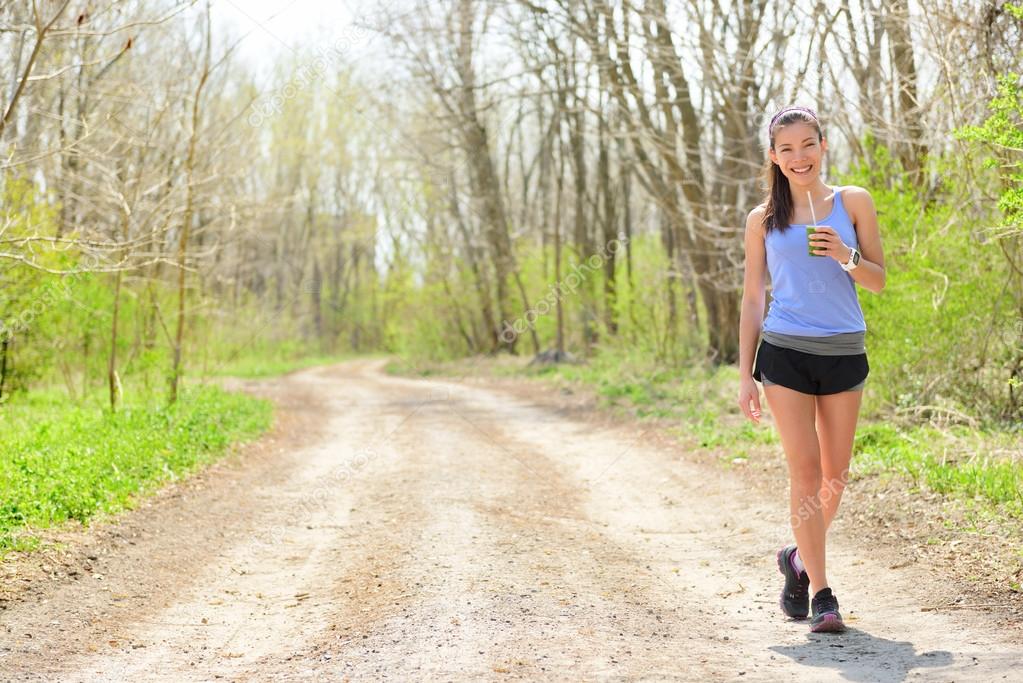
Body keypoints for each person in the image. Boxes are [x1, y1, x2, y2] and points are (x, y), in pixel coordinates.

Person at [736, 105, 887, 634]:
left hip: (844, 350)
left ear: (822, 146)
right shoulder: (763, 219)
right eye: (787, 149)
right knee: (804, 470)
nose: (798, 157)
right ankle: (824, 594)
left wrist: (845, 255)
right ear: (773, 158)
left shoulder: (853, 202)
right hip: (784, 352)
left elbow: (878, 281)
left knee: (834, 476)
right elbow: (753, 298)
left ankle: (797, 559)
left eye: (807, 145)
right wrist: (744, 375)